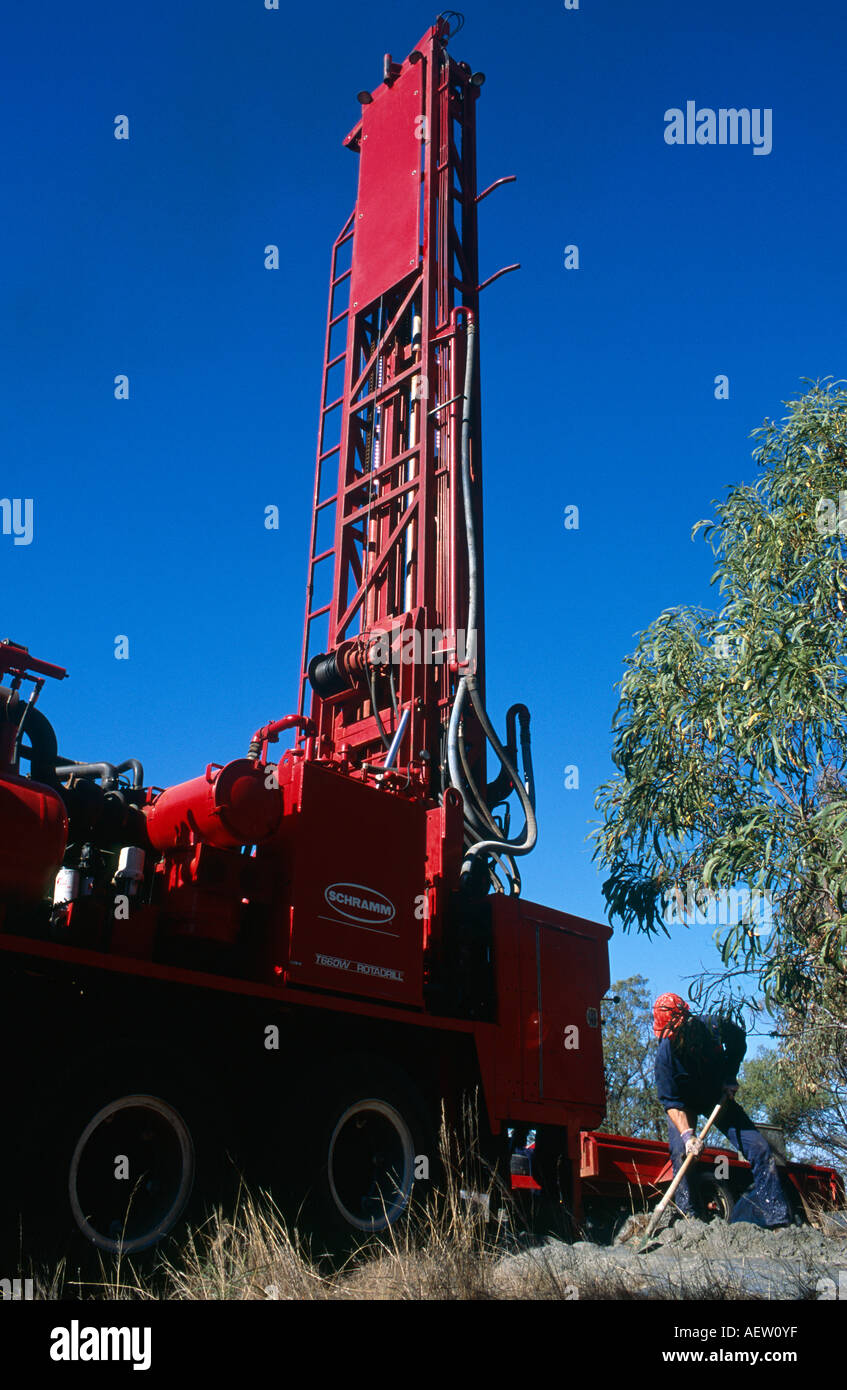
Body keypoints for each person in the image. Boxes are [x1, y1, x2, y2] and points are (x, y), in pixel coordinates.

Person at [652, 992, 791, 1227]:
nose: (673, 1038)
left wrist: (730, 1075)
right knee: (680, 1152)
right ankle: (689, 1221)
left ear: (687, 1021)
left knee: (759, 1148)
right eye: (669, 1035)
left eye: (676, 1033)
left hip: (715, 1096)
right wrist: (688, 1136)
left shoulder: (714, 1027)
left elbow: (738, 1040)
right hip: (684, 1105)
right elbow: (671, 1102)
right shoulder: (664, 1056)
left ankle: (777, 1219)